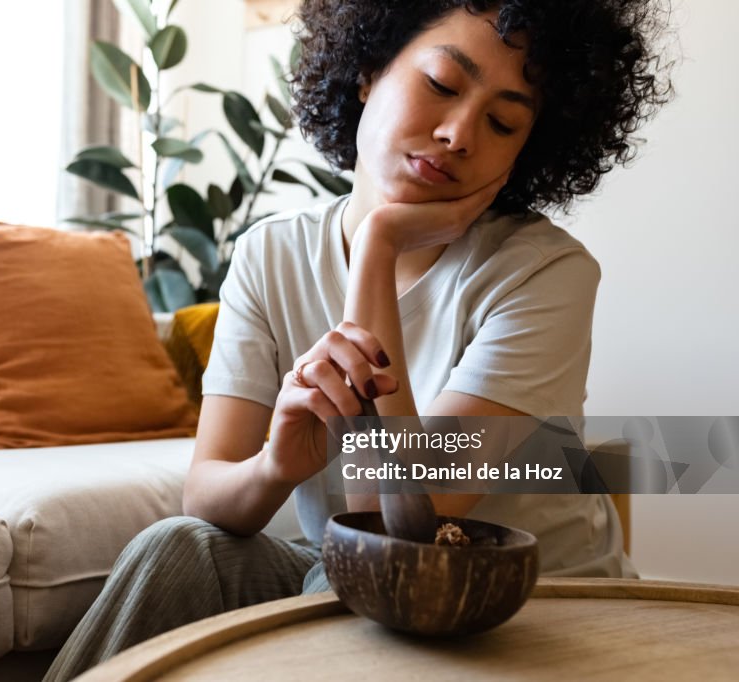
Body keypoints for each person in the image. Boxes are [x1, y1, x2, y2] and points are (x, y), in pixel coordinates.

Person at [44, 0, 672, 679]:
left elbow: (405, 528)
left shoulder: (546, 273)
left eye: (502, 122)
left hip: (539, 599)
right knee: (178, 548)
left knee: (349, 590)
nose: (460, 133)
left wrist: (377, 245)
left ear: (529, 149)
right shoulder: (270, 256)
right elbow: (207, 494)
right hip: (357, 581)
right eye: (441, 84)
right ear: (368, 70)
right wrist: (277, 466)